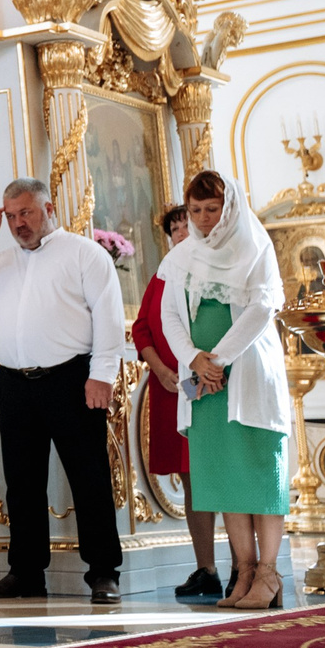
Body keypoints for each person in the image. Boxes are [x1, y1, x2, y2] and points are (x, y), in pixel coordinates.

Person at [0, 176, 126, 603]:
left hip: (72, 380)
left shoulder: (85, 254)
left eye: (25, 213)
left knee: (89, 479)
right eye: (10, 216)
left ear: (49, 209)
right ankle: (26, 572)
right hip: (15, 383)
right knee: (22, 484)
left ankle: (103, 573)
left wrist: (102, 374)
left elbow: (108, 316)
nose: (17, 224)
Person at [158, 172, 292, 610]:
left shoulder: (255, 245)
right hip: (206, 384)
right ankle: (245, 571)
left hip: (247, 374)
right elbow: (169, 318)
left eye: (211, 209)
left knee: (258, 472)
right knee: (225, 478)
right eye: (195, 211)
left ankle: (269, 575)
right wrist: (194, 359)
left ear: (229, 207)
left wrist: (218, 358)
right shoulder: (182, 257)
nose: (203, 219)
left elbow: (261, 307)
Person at [131, 204, 217, 598]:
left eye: (187, 224)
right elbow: (143, 328)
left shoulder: (216, 266)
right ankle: (206, 568)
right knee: (188, 476)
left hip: (209, 383)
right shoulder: (163, 273)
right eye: (175, 228)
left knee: (215, 472)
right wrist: (159, 370)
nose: (182, 232)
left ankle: (244, 563)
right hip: (169, 387)